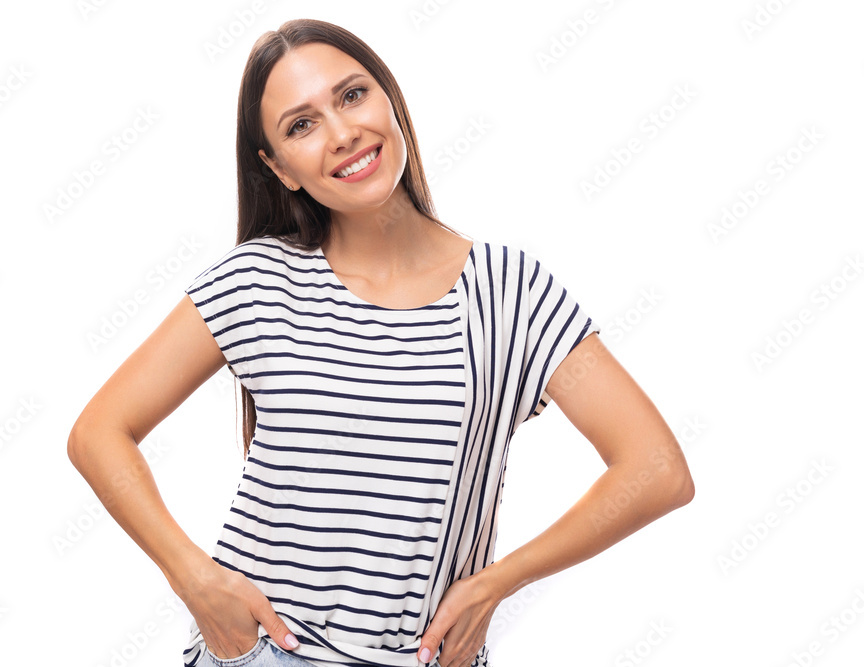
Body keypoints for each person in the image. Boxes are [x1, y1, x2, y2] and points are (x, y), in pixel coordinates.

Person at [67, 18, 695, 667]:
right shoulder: (256, 280)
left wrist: (496, 583)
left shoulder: (508, 291)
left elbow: (656, 469)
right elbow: (99, 431)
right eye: (301, 125)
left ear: (389, 98)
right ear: (279, 167)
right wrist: (195, 580)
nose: (342, 134)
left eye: (351, 95)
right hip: (259, 653)